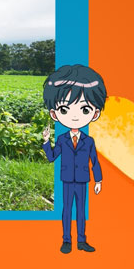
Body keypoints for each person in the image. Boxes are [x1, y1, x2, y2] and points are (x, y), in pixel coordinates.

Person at [42, 64, 105, 254]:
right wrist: (46, 142)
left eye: (84, 109)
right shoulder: (61, 139)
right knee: (67, 210)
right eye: (65, 109)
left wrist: (99, 179)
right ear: (54, 114)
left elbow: (95, 161)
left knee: (81, 212)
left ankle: (82, 241)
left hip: (83, 180)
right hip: (68, 179)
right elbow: (52, 157)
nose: (75, 115)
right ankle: (66, 241)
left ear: (95, 113)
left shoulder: (89, 140)